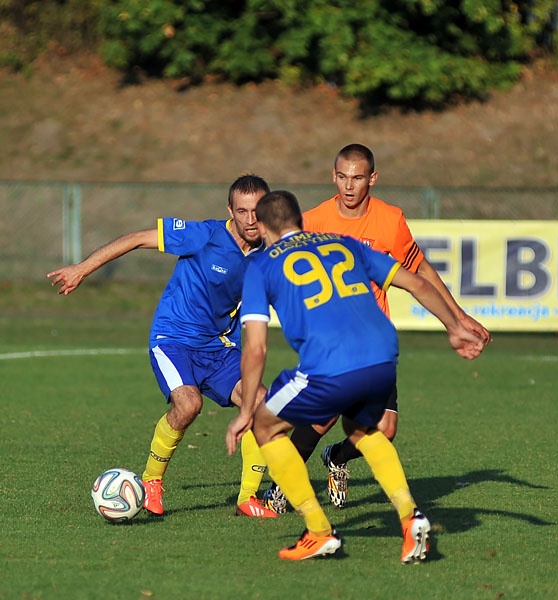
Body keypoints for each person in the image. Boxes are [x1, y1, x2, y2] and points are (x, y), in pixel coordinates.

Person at [225, 190, 485, 561]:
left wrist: (245, 410)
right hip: (383, 356)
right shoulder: (343, 243)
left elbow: (255, 349)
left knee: (265, 425)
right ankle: (410, 518)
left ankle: (318, 530)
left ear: (264, 227)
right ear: (300, 219)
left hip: (330, 364)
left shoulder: (262, 265)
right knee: (362, 429)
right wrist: (454, 326)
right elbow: (416, 282)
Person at [265, 143, 491, 512]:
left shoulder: (390, 220)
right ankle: (282, 486)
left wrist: (458, 316)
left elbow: (418, 270)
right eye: (342, 177)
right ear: (333, 176)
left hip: (372, 341)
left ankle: (336, 457)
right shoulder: (314, 221)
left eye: (357, 178)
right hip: (328, 339)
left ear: (373, 178)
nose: (349, 186)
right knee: (322, 417)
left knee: (384, 430)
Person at [47, 174, 279, 518]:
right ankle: (152, 481)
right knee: (188, 405)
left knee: (262, 404)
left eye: (257, 211)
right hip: (173, 339)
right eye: (242, 211)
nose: (250, 219)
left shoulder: (271, 254)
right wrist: (82, 269)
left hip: (219, 348)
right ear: (229, 210)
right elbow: (138, 238)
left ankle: (247, 497)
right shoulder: (205, 235)